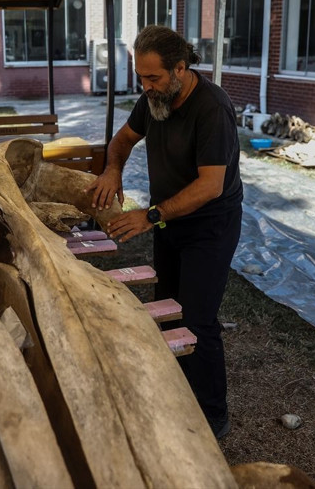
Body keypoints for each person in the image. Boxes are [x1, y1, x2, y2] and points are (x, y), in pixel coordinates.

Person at [85, 25, 243, 440]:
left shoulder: (212, 108)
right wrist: (113, 168)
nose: (146, 86)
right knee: (168, 309)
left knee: (197, 319)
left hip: (210, 226)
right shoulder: (153, 98)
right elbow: (123, 139)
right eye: (140, 77)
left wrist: (150, 216)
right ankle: (177, 394)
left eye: (153, 78)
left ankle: (212, 416)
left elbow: (210, 186)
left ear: (180, 68)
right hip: (170, 222)